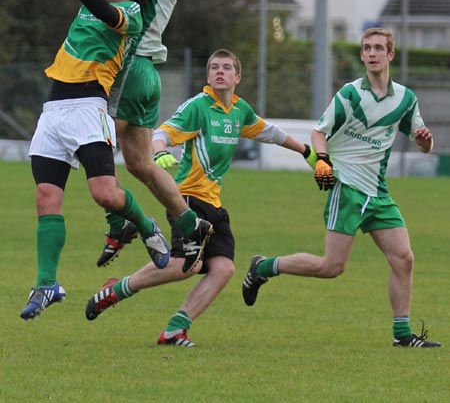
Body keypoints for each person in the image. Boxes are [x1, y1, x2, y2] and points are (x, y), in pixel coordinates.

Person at [84, 48, 316, 347]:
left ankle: (174, 330)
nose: (220, 71)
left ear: (238, 76)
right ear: (208, 76)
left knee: (224, 268)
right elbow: (162, 132)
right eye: (215, 67)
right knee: (186, 265)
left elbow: (269, 132)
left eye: (227, 67)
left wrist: (306, 152)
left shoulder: (239, 110)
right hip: (187, 201)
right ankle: (116, 290)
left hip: (214, 204)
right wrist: (161, 151)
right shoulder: (198, 106)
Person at [242, 27, 442, 349]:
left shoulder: (405, 98)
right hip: (347, 188)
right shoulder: (350, 94)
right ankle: (264, 266)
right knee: (331, 267)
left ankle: (402, 334)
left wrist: (425, 141)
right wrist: (322, 161)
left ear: (390, 55)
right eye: (367, 48)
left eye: (379, 48)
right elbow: (319, 132)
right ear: (362, 55)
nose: (372, 53)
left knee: (404, 258)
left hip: (378, 192)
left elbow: (425, 146)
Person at [20, 0, 169, 321]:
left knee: (105, 193)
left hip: (89, 109)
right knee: (45, 198)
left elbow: (103, 11)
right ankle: (47, 283)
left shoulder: (130, 16)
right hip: (54, 111)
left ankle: (145, 224)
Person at [95, 0, 212, 273]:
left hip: (131, 67)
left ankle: (119, 222)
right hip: (146, 73)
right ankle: (188, 222)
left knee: (91, 141)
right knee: (141, 163)